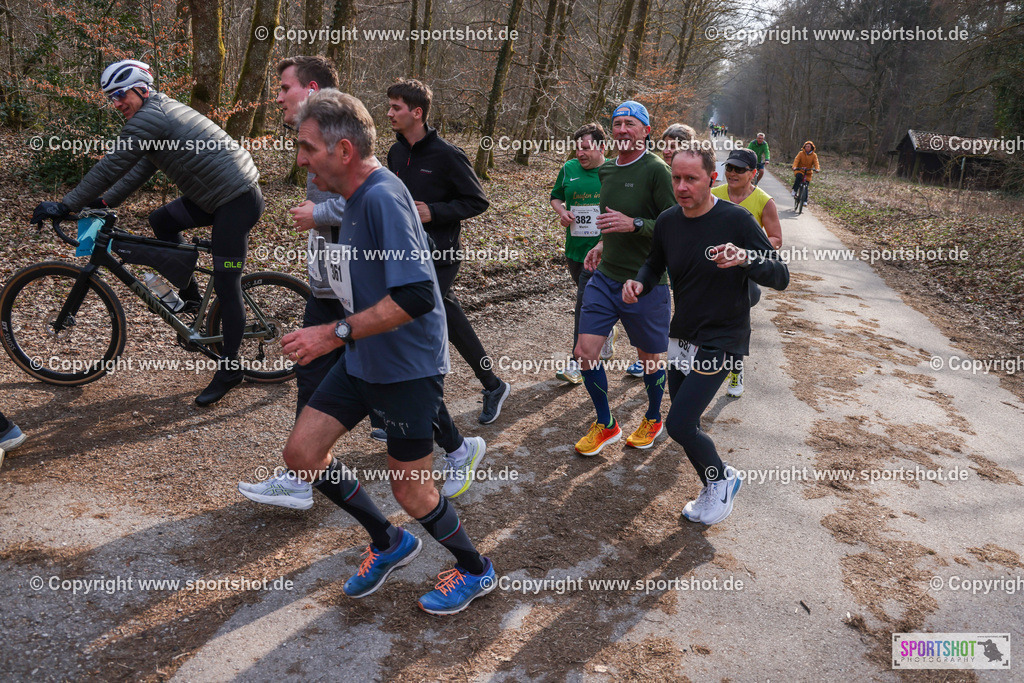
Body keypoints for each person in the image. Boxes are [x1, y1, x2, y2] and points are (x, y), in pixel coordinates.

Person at [269, 89, 496, 614]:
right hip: (365, 356)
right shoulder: (353, 194)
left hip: (406, 367)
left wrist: (332, 334)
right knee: (302, 455)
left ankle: (475, 569)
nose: (300, 159)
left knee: (412, 493)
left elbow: (418, 295)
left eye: (307, 148)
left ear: (343, 151)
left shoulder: (380, 197)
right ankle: (389, 542)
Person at [238, 59, 486, 508]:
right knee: (324, 375)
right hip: (337, 280)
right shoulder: (359, 146)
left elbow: (378, 200)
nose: (278, 97)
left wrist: (320, 215)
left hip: (380, 283)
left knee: (401, 394)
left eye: (284, 88)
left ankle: (455, 457)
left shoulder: (346, 143)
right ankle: (308, 472)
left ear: (309, 89)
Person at [31, 59, 262, 406]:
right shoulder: (156, 116)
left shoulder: (154, 116)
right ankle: (193, 299)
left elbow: (114, 162)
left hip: (236, 200)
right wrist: (104, 200)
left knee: (228, 283)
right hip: (212, 196)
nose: (116, 103)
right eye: (111, 98)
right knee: (162, 221)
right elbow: (139, 167)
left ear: (142, 89)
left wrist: (66, 205)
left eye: (120, 94)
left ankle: (230, 370)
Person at [622, 145, 789, 525]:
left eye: (691, 179)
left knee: (678, 424)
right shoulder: (667, 220)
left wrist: (746, 258)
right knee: (688, 426)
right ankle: (719, 480)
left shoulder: (736, 220)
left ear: (711, 180)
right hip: (682, 335)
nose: (681, 186)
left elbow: (780, 276)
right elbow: (654, 263)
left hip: (724, 337)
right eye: (676, 178)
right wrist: (639, 283)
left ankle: (719, 483)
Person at [385, 79, 511, 425]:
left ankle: (398, 412)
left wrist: (434, 212)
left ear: (417, 112)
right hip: (404, 252)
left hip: (440, 255)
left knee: (404, 317)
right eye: (390, 106)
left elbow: (477, 201)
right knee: (449, 318)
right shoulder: (395, 153)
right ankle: (493, 384)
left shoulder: (448, 155)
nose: (389, 113)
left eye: (396, 107)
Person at [573, 100, 675, 455]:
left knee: (649, 358)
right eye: (617, 123)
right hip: (606, 276)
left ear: (646, 131)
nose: (622, 130)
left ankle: (653, 416)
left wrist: (634, 225)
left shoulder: (658, 171)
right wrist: (602, 243)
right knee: (585, 353)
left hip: (646, 281)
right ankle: (606, 423)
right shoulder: (608, 171)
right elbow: (612, 221)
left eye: (630, 124)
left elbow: (674, 225)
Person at [711, 148, 782, 397]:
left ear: (753, 173)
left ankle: (735, 371)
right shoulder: (714, 194)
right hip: (712, 269)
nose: (732, 173)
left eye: (739, 169)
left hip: (742, 274)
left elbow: (775, 239)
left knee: (737, 324)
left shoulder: (764, 201)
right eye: (729, 167)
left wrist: (746, 252)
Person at [549, 123, 617, 384]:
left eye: (586, 148)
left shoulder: (613, 171)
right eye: (577, 148)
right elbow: (555, 197)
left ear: (602, 147)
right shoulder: (568, 169)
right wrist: (562, 211)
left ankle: (578, 362)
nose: (580, 153)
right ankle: (607, 329)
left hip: (604, 250)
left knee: (584, 304)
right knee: (591, 299)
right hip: (574, 249)